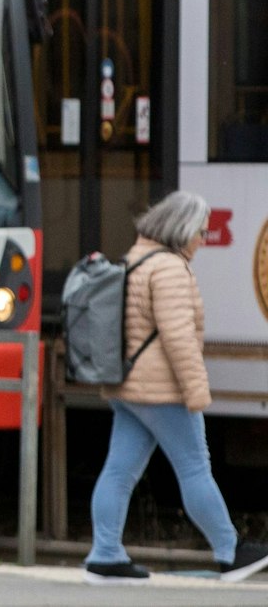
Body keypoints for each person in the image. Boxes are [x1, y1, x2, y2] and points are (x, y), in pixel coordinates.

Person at [85, 191, 268, 583]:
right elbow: (178, 338)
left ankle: (105, 555)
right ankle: (229, 550)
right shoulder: (169, 268)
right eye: (201, 232)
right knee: (194, 468)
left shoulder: (137, 257)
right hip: (162, 390)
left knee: (118, 471)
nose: (203, 239)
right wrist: (196, 391)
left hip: (129, 387)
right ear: (182, 230)